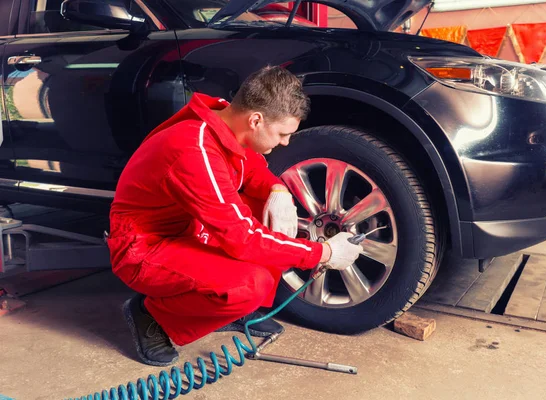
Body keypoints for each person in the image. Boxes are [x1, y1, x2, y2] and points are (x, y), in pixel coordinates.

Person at [106, 65, 363, 367]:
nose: (285, 143)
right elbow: (242, 240)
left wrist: (278, 191)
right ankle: (150, 315)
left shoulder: (227, 125)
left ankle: (239, 310)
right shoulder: (194, 150)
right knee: (247, 285)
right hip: (143, 248)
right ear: (256, 120)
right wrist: (324, 253)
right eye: (282, 134)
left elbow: (252, 172)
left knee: (266, 207)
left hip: (185, 228)